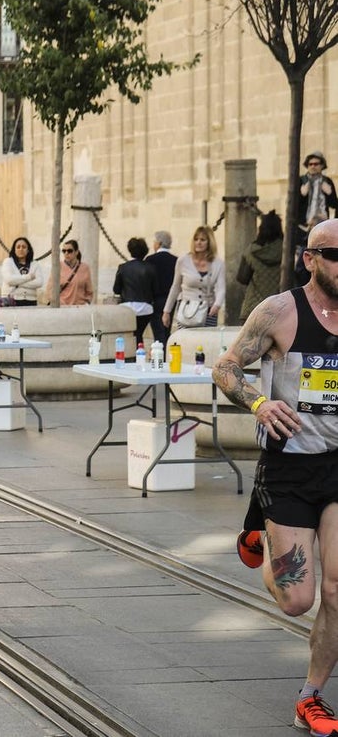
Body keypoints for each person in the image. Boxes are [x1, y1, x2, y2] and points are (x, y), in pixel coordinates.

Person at [212, 218, 338, 737]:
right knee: (297, 599)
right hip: (288, 468)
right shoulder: (280, 312)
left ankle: (311, 696)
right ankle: (264, 534)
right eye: (336, 256)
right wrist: (260, 404)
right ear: (310, 259)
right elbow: (225, 368)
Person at [163, 225, 225, 331]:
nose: (198, 242)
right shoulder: (183, 261)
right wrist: (167, 311)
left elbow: (221, 288)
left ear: (209, 242)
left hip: (208, 310)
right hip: (187, 310)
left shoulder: (218, 263)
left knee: (206, 339)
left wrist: (217, 305)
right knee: (185, 339)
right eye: (196, 239)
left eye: (202, 240)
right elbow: (175, 287)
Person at [294, 152, 338, 286]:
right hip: (304, 228)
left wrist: (329, 192)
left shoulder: (327, 181)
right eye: (310, 164)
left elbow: (334, 204)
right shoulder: (302, 181)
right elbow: (293, 205)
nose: (313, 166)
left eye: (316, 164)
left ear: (322, 165)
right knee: (302, 263)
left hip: (322, 228)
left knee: (322, 260)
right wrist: (302, 193)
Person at [240, 210, 285, 321]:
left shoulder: (252, 251)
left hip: (253, 308)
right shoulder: (286, 251)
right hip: (279, 308)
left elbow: (242, 278)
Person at [112, 238, 156, 347]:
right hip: (145, 308)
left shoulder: (123, 267)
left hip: (127, 306)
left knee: (130, 334)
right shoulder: (150, 268)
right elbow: (155, 289)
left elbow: (116, 289)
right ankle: (139, 351)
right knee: (139, 333)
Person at [145, 230, 177, 345]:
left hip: (156, 300)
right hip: (170, 300)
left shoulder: (150, 260)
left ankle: (160, 352)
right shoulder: (175, 260)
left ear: (158, 243)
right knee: (166, 329)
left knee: (158, 331)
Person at [0, 236, 43, 306]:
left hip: (31, 301)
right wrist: (28, 277)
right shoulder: (8, 262)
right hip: (11, 300)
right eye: (18, 247)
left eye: (24, 247)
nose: (21, 249)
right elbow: (9, 280)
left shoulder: (35, 264)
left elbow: (39, 282)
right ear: (14, 250)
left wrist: (16, 282)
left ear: (28, 250)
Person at [48, 239, 93, 305]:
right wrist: (58, 303)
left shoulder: (85, 268)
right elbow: (49, 290)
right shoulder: (58, 266)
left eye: (69, 251)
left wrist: (87, 303)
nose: (66, 253)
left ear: (76, 252)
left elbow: (89, 291)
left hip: (79, 307)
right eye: (64, 251)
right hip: (62, 307)